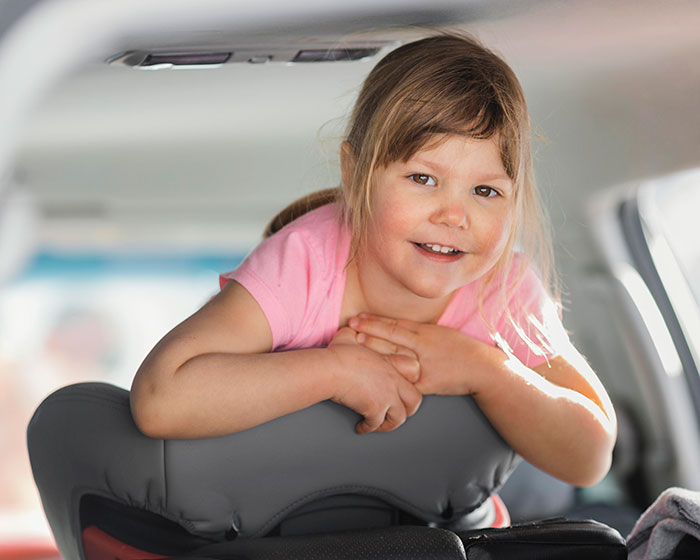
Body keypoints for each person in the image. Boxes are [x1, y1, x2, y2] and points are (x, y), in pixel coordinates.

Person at [130, 33, 617, 490]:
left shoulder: (503, 288)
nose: (454, 215)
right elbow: (160, 397)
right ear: (355, 171)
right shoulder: (305, 263)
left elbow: (591, 456)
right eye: (423, 179)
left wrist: (484, 369)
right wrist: (335, 372)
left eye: (485, 190)